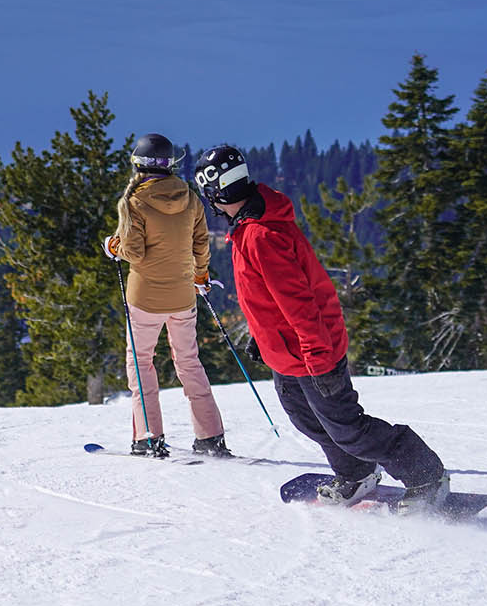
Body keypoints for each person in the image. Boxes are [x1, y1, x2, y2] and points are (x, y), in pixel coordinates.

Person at [193, 144, 451, 511]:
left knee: (349, 428)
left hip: (312, 351)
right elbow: (271, 298)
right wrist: (262, 337)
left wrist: (318, 356)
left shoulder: (261, 235)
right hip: (288, 353)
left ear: (211, 193)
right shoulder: (249, 229)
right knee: (309, 420)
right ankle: (357, 473)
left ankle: (426, 474)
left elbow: (300, 301)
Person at [101, 134, 231, 460]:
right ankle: (210, 436)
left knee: (142, 363)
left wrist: (113, 246)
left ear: (138, 166)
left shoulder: (134, 203)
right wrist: (200, 276)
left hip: (144, 298)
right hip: (183, 296)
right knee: (188, 362)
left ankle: (148, 437)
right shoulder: (190, 197)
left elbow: (134, 252)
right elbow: (201, 245)